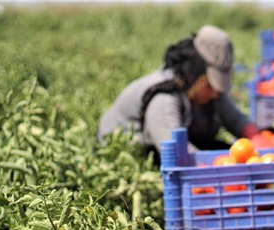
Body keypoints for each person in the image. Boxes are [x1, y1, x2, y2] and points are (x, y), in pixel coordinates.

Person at [97, 25, 259, 165]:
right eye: (210, 85)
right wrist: (218, 167)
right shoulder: (164, 97)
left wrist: (260, 142)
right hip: (132, 152)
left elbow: (237, 120)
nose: (216, 93)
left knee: (223, 150)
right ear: (197, 75)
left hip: (168, 145)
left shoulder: (209, 92)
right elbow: (176, 152)